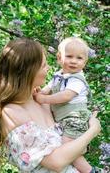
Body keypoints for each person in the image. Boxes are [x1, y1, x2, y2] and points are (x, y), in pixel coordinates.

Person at [0, 38, 101, 173]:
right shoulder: (11, 112)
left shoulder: (42, 102)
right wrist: (93, 130)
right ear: (28, 71)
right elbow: (56, 162)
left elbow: (74, 145)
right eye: (44, 65)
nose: (49, 68)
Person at [34, 37, 98, 173]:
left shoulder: (77, 79)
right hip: (64, 119)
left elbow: (66, 96)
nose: (74, 61)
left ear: (85, 62)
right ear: (59, 58)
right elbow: (47, 89)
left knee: (67, 148)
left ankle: (90, 171)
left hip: (75, 118)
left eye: (79, 58)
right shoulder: (59, 76)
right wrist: (40, 92)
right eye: (69, 56)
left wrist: (43, 99)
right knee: (66, 148)